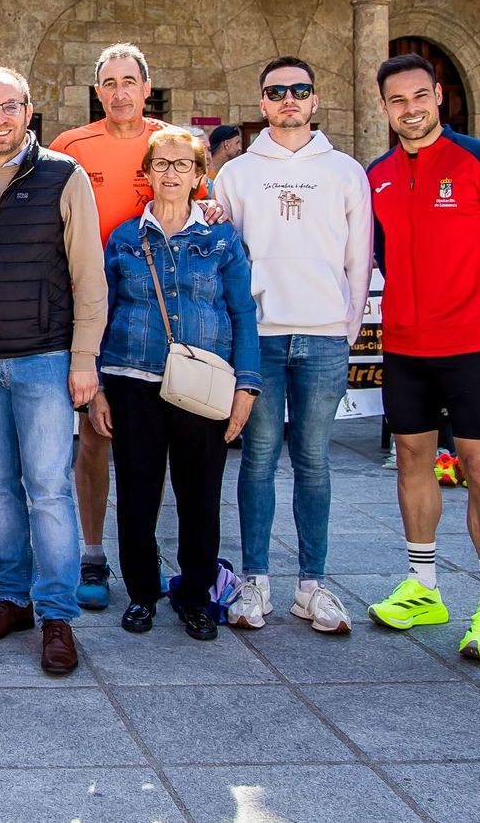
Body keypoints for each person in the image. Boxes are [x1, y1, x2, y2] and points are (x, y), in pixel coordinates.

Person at [366, 52, 480, 665]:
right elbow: (383, 251)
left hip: (470, 345)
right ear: (384, 107)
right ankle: (424, 586)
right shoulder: (379, 174)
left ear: (438, 95)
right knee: (412, 457)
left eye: (420, 96)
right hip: (405, 345)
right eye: (397, 100)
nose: (410, 109)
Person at [0, 66, 106, 675]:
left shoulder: (64, 177)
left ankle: (57, 614)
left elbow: (88, 275)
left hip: (44, 356)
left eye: (9, 106)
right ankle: (11, 598)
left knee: (48, 489)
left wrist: (85, 358)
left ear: (28, 110)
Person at [213, 57, 371, 636]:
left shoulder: (346, 171)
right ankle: (256, 581)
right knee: (257, 461)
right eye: (276, 91)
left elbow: (360, 257)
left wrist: (347, 328)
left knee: (313, 461)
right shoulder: (238, 173)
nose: (288, 99)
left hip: (325, 334)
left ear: (314, 99)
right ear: (261, 103)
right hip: (262, 337)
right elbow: (223, 254)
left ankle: (313, 585)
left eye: (299, 90)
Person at [91, 128, 260, 641]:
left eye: (181, 165)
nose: (170, 173)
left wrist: (246, 386)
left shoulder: (221, 238)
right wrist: (97, 385)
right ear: (146, 173)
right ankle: (142, 593)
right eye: (160, 164)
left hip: (204, 383)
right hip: (132, 378)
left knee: (200, 493)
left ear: (198, 175)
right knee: (138, 493)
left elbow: (242, 312)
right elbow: (102, 312)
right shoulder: (123, 238)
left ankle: (194, 595)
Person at [49, 43, 183, 610]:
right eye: (110, 82)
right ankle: (93, 551)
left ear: (147, 87)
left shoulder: (170, 145)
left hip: (155, 316)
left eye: (130, 81)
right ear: (97, 90)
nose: (121, 91)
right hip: (91, 315)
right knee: (93, 437)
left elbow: (198, 210)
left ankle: (144, 550)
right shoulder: (70, 148)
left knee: (154, 440)